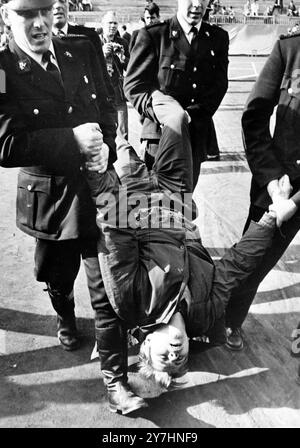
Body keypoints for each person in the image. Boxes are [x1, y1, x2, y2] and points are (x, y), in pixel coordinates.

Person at [85, 126, 294, 412]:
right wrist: (271, 218)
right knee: (178, 121)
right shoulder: (205, 313)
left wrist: (99, 176)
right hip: (175, 205)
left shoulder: (134, 303)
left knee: (119, 141)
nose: (173, 355)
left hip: (135, 203)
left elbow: (117, 236)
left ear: (145, 344)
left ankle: (119, 119)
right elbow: (236, 265)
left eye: (163, 357)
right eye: (179, 360)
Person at [0, 0, 116, 351]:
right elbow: (5, 144)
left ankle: (114, 364)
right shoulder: (2, 69)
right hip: (51, 200)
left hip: (97, 189)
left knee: (107, 281)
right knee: (58, 276)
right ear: (6, 16)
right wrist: (72, 140)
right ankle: (64, 314)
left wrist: (107, 144)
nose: (39, 24)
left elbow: (107, 105)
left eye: (45, 12)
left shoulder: (82, 49)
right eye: (26, 14)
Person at [224, 31, 300, 352]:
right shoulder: (289, 49)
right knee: (253, 259)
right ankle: (229, 318)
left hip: (291, 195)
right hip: (278, 183)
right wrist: (272, 181)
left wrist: (295, 203)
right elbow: (254, 117)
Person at [124, 0, 229, 189]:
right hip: (160, 135)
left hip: (194, 133)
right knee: (154, 205)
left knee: (183, 203)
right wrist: (165, 115)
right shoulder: (154, 35)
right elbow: (134, 85)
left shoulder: (217, 37)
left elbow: (219, 85)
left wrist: (190, 115)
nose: (197, 5)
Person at [52, 0, 116, 123]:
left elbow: (103, 81)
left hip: (87, 120)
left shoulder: (89, 37)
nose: (58, 6)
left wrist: (109, 131)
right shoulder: (37, 41)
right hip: (55, 126)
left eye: (62, 1)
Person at [101, 11, 130, 141]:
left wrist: (122, 57)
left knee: (123, 132)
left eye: (115, 23)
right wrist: (102, 53)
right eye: (109, 23)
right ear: (102, 25)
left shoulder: (122, 42)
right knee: (103, 131)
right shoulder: (95, 41)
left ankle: (123, 159)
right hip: (101, 92)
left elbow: (130, 68)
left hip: (117, 91)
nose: (112, 26)